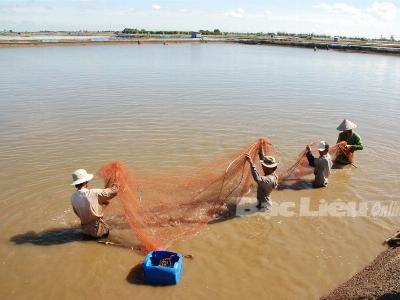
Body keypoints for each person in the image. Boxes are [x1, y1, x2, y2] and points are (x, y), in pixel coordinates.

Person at [70, 168, 119, 238]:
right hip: (100, 233)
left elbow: (79, 214)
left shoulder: (73, 197)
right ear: (85, 182)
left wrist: (100, 206)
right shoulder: (93, 193)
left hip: (85, 233)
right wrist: (116, 180)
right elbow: (114, 191)